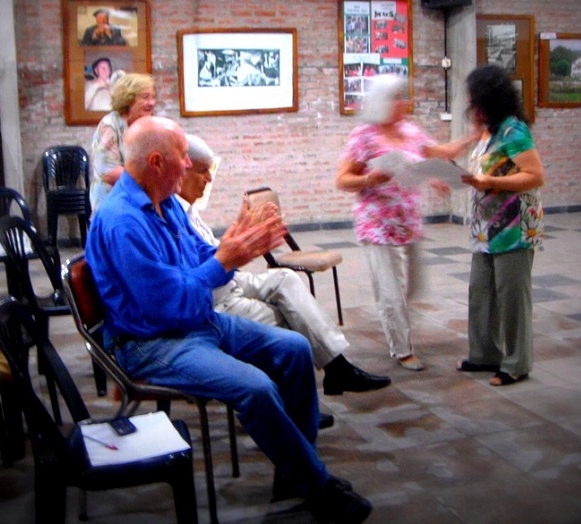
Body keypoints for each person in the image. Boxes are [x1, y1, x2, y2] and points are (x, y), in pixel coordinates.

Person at [86, 116, 372, 521]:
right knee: (255, 388)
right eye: (183, 157)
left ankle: (296, 470)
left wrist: (233, 247)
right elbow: (166, 305)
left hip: (196, 323)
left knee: (295, 348)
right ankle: (316, 485)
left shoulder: (164, 202)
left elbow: (197, 264)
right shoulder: (121, 221)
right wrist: (224, 259)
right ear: (156, 162)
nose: (189, 165)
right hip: (152, 343)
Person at [178, 134, 391, 398]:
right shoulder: (169, 212)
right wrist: (237, 248)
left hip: (227, 281)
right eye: (202, 172)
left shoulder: (188, 208)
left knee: (286, 278)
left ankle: (337, 367)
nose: (210, 180)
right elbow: (199, 268)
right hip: (213, 297)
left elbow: (210, 252)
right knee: (290, 318)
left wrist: (239, 242)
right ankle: (294, 401)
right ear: (181, 170)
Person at [335, 74, 458, 371]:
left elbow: (440, 153)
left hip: (408, 220)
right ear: (381, 102)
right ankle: (402, 349)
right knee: (390, 289)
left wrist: (472, 139)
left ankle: (396, 320)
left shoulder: (410, 132)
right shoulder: (364, 135)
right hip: (376, 223)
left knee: (415, 287)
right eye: (397, 98)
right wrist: (368, 178)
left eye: (403, 97)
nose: (403, 103)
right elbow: (342, 180)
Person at [453, 64, 545, 386]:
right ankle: (484, 354)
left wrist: (490, 180)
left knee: (512, 297)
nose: (470, 105)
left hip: (514, 225)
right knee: (481, 292)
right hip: (485, 227)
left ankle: (517, 362)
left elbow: (535, 176)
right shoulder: (489, 131)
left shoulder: (513, 130)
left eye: (474, 98)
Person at [90, 72, 157, 213]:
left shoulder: (148, 124)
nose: (152, 103)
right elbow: (108, 171)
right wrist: (148, 179)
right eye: (145, 97)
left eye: (153, 97)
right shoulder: (110, 125)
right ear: (129, 99)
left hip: (140, 200)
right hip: (113, 204)